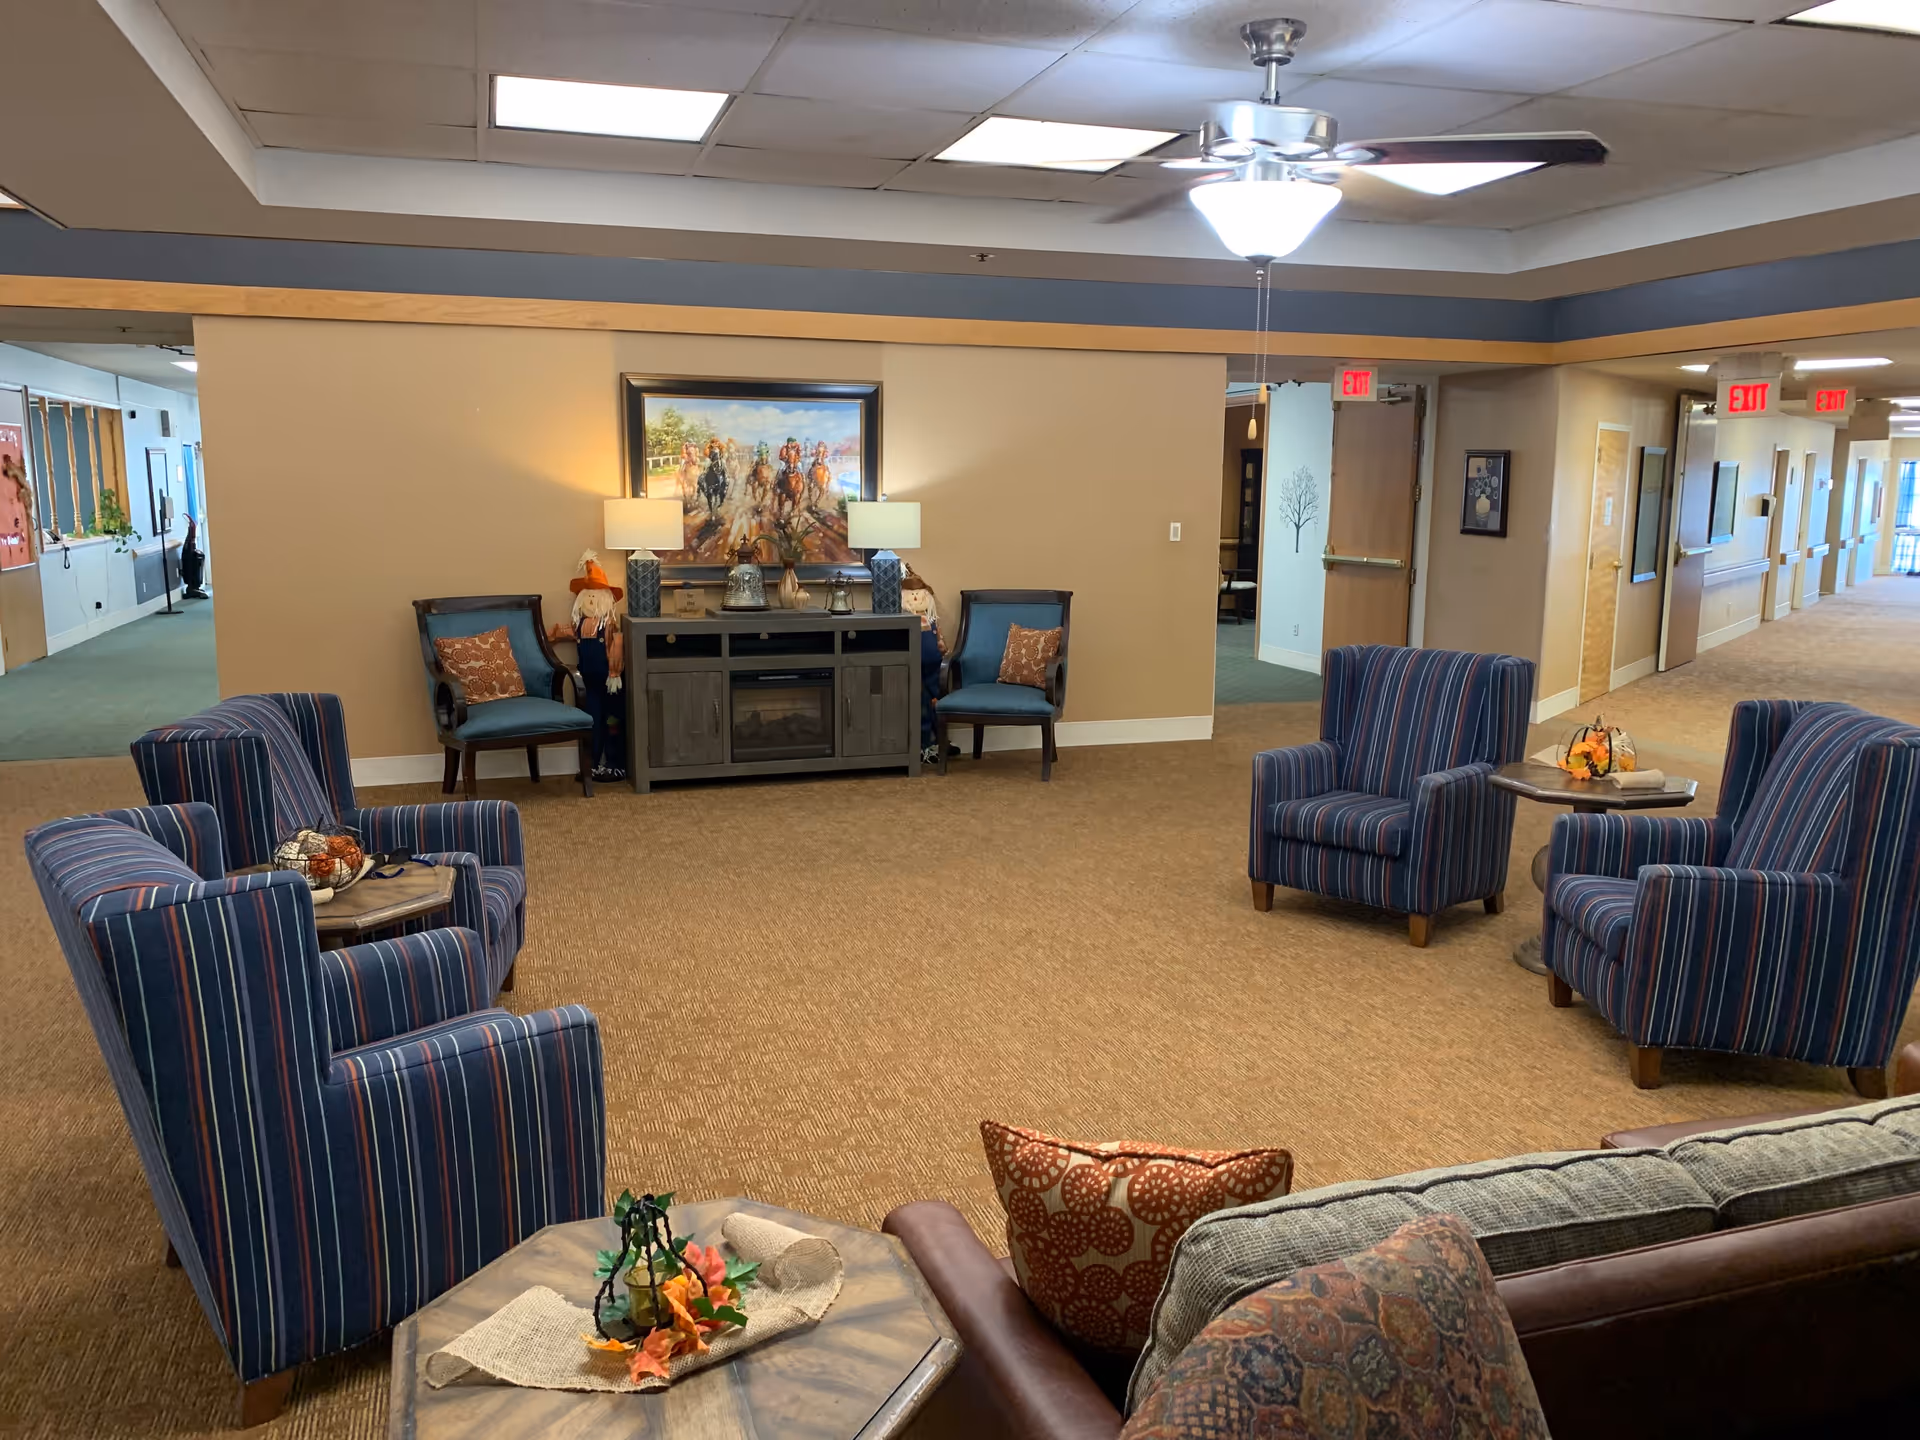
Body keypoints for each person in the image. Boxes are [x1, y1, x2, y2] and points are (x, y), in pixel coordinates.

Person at [549, 551, 627, 783]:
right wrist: (550, 636)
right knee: (590, 722)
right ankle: (590, 764)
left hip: (610, 684)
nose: (592, 601)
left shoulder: (610, 627)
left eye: (596, 596)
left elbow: (617, 646)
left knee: (613, 721)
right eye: (588, 596)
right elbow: (563, 632)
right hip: (587, 685)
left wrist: (615, 671)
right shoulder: (580, 625)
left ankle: (615, 765)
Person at [900, 569, 957, 767]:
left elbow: (939, 641)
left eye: (919, 595)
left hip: (935, 671)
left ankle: (939, 742)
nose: (916, 598)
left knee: (937, 705)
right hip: (915, 671)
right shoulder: (906, 621)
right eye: (912, 596)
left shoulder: (932, 621)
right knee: (920, 706)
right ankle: (923, 745)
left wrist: (942, 646)